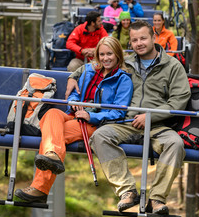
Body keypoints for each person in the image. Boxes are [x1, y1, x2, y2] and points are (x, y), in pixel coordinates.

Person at [67, 20, 190, 216]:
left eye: (143, 38)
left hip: (157, 125)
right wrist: (73, 77)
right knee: (100, 137)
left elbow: (179, 101)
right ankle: (127, 191)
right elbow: (91, 66)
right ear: (130, 43)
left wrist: (150, 115)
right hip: (125, 122)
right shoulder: (126, 62)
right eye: (134, 40)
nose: (139, 43)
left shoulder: (172, 66)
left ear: (153, 37)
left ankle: (157, 198)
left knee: (175, 144)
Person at [15, 37, 133, 204]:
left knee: (53, 137)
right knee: (52, 114)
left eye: (110, 54)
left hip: (94, 122)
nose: (106, 58)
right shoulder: (89, 70)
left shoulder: (123, 80)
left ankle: (41, 188)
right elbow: (76, 91)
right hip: (74, 114)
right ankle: (52, 156)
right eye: (102, 54)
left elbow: (118, 112)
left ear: (118, 55)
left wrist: (91, 115)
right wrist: (74, 101)